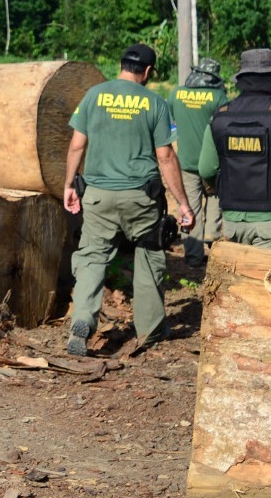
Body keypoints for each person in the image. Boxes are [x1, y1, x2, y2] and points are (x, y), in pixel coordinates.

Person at [62, 43, 195, 357]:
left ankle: (82, 320)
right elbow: (165, 157)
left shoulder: (94, 96)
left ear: (120, 65)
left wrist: (69, 184)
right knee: (148, 256)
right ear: (148, 72)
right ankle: (148, 330)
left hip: (96, 195)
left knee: (92, 258)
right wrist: (183, 203)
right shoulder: (155, 102)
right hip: (140, 198)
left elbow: (76, 145)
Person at [197, 48, 271, 251]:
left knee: (241, 280)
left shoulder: (220, 116)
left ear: (241, 79)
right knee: (269, 280)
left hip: (234, 222)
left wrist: (223, 192)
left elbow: (206, 169)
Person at [169, 57, 227, 265]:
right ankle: (212, 237)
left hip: (185, 162)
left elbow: (172, 121)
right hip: (213, 162)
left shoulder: (176, 93)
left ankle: (193, 256)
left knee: (188, 205)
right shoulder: (219, 97)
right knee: (214, 198)